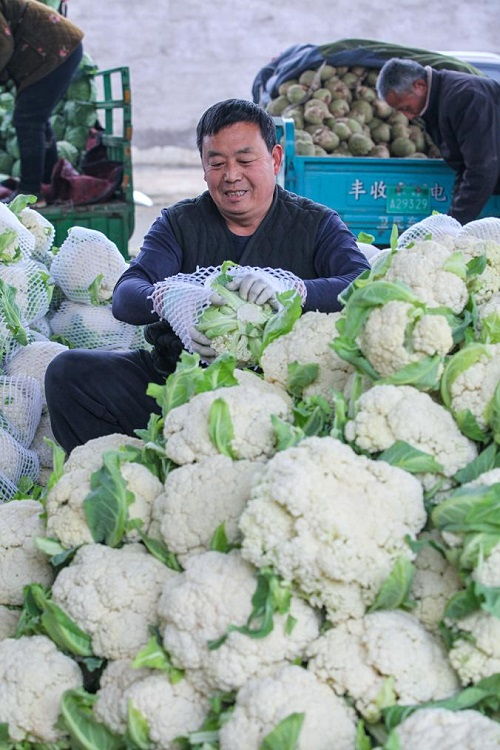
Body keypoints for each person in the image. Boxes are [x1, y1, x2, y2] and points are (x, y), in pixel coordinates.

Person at [45, 98, 370, 454]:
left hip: (278, 395)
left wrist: (294, 291)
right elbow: (126, 296)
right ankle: (134, 473)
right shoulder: (180, 222)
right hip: (178, 384)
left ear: (275, 159)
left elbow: (362, 283)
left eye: (245, 161)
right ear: (203, 167)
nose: (231, 176)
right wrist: (171, 298)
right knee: (68, 373)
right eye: (217, 163)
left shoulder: (317, 224)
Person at [376, 57, 500, 225]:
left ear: (419, 85)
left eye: (406, 107)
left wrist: (456, 224)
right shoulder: (437, 103)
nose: (408, 116)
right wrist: (452, 220)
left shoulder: (465, 96)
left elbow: (482, 167)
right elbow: (464, 166)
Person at [0, 0, 84, 203]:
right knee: (36, 118)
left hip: (55, 50)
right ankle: (48, 184)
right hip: (53, 51)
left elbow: (4, 44)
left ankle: (31, 192)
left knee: (28, 119)